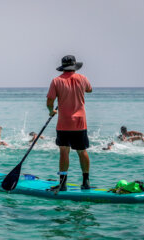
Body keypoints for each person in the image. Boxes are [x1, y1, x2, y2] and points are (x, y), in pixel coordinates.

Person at [46, 55, 92, 192]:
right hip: (80, 123)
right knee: (81, 151)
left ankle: (63, 183)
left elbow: (49, 101)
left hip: (64, 123)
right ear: (74, 66)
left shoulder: (56, 81)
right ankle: (86, 181)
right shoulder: (83, 79)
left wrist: (51, 111)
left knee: (64, 151)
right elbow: (89, 90)